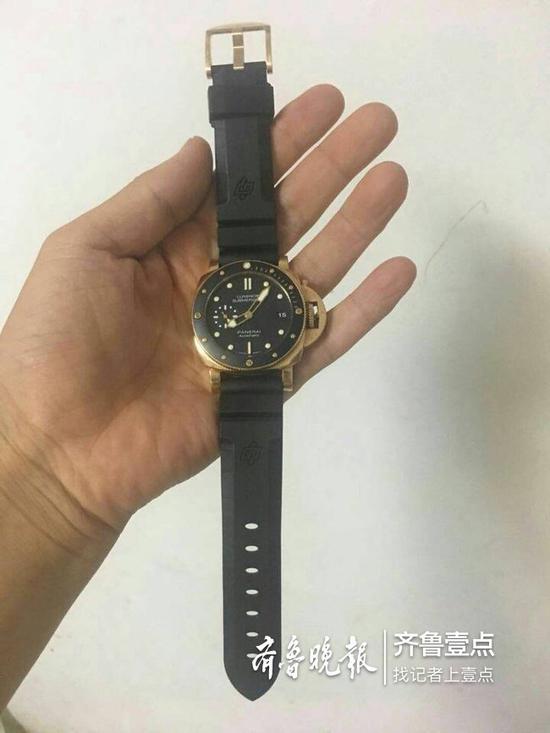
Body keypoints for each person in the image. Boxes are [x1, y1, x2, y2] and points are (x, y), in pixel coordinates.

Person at [0, 83, 416, 718]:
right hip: (242, 378)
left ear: (304, 317)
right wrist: (36, 487)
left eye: (258, 306)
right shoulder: (240, 303)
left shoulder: (247, 299)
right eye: (237, 308)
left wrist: (39, 488)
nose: (244, 310)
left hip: (252, 378)